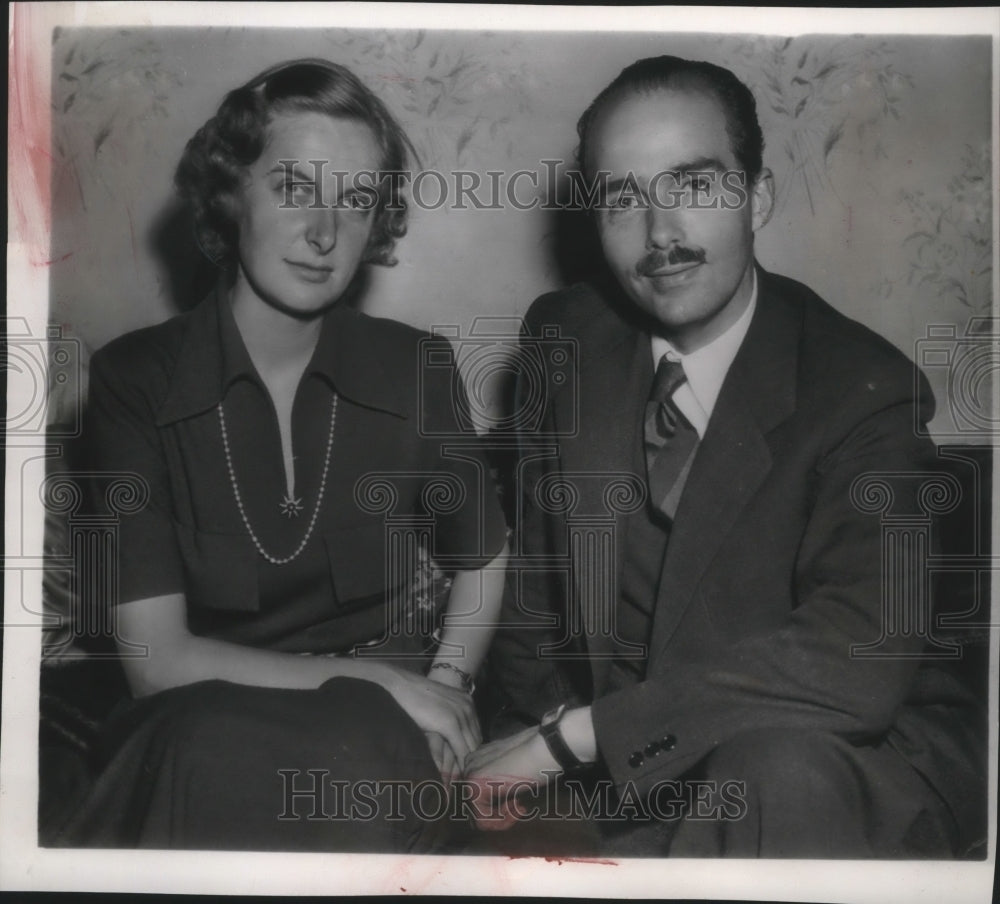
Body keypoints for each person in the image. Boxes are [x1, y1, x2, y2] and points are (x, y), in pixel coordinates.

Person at [467, 55, 985, 858]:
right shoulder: (563, 340)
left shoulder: (867, 391)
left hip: (839, 767)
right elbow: (538, 595)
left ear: (757, 196)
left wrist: (576, 739)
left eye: (694, 185)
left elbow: (856, 656)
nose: (660, 234)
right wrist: (512, 751)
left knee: (774, 773)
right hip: (640, 773)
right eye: (622, 199)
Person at [59, 59, 508, 852]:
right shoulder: (133, 383)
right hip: (202, 709)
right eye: (296, 188)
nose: (326, 231)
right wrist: (380, 681)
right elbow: (156, 664)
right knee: (203, 753)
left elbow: (485, 555)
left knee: (362, 760)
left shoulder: (420, 369)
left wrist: (448, 684)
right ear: (231, 193)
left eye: (357, 200)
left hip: (380, 727)